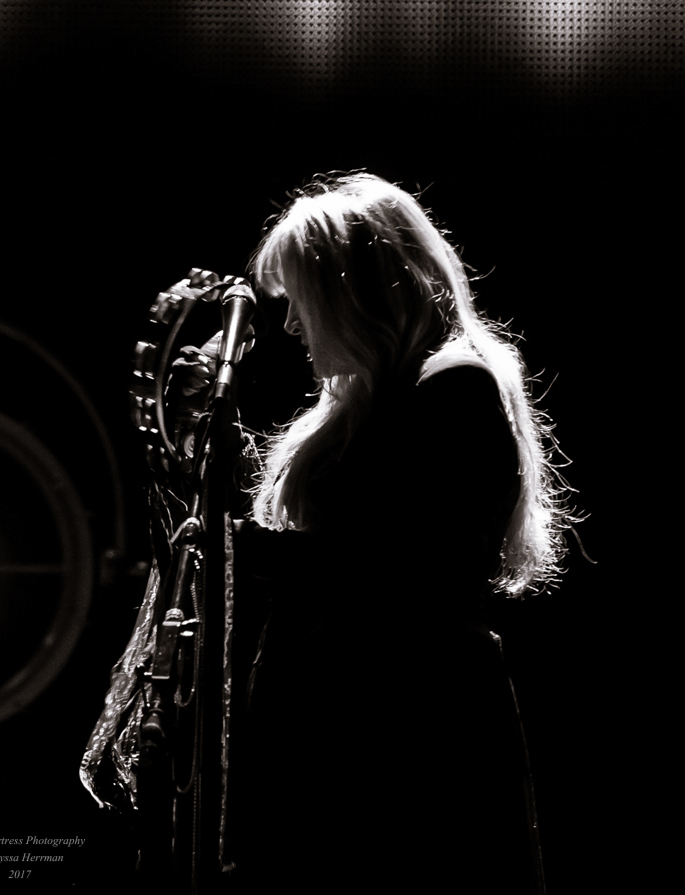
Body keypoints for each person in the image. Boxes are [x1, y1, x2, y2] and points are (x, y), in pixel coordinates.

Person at [82, 172, 575, 892]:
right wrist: (205, 447)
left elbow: (393, 566)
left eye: (303, 303)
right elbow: (340, 538)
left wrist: (238, 547)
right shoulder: (374, 401)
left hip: (408, 737)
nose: (290, 328)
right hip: (355, 727)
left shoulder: (455, 388)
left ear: (358, 291)